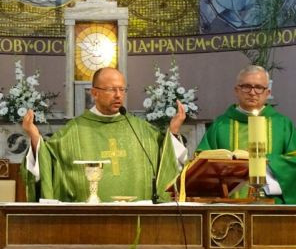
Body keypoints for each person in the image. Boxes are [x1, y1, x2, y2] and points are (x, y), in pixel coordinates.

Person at [195, 64, 296, 249]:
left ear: (268, 92)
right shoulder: (221, 125)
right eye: (246, 86)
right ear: (236, 90)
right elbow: (201, 164)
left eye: (259, 87)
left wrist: (263, 163)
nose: (252, 92)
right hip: (228, 215)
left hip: (272, 211)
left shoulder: (282, 125)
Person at [21, 67, 187, 202]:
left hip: (138, 220)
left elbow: (166, 158)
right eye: (111, 89)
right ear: (94, 93)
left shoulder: (141, 130)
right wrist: (35, 137)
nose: (118, 95)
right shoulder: (73, 131)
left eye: (122, 89)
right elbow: (48, 161)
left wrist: (173, 131)